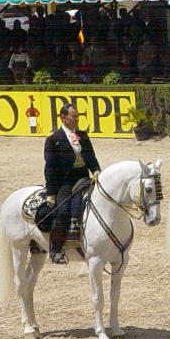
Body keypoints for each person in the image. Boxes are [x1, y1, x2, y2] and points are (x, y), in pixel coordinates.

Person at [43, 104, 101, 264]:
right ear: (63, 117)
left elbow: (91, 156)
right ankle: (56, 249)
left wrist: (96, 170)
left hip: (83, 177)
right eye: (73, 116)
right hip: (65, 182)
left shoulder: (83, 135)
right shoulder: (53, 140)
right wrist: (50, 192)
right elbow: (50, 167)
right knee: (62, 211)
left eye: (77, 116)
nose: (76, 119)